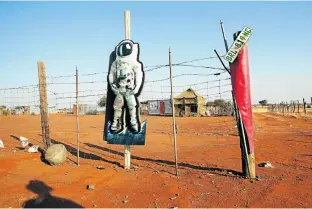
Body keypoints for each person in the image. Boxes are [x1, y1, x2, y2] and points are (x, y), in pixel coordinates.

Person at [108, 40, 143, 133]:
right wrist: (112, 85)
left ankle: (133, 122)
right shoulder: (116, 63)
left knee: (132, 106)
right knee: (117, 107)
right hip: (119, 89)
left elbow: (139, 74)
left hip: (129, 89)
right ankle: (116, 123)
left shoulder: (134, 63)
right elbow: (111, 74)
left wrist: (137, 87)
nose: (123, 52)